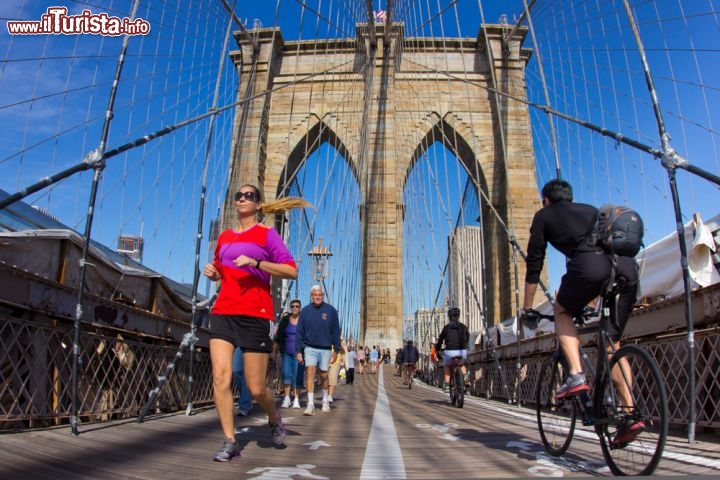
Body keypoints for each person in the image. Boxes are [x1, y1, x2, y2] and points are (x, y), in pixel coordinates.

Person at [521, 179, 640, 445]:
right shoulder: (590, 210)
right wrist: (590, 303)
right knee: (613, 343)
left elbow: (534, 264)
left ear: (545, 200)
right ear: (571, 197)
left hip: (589, 268)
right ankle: (631, 414)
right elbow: (605, 253)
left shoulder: (543, 215)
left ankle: (575, 374)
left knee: (562, 310)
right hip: (628, 269)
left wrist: (528, 307)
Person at [202, 184, 308, 462]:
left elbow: (291, 271)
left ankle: (274, 419)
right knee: (221, 377)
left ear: (259, 204)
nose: (242, 199)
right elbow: (221, 272)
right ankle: (230, 441)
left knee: (257, 387)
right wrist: (213, 273)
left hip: (256, 314)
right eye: (238, 195)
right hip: (223, 311)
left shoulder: (267, 235)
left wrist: (257, 263)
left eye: (249, 195)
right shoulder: (224, 237)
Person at [296, 285, 341, 415]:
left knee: (324, 375)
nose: (318, 297)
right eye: (315, 295)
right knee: (310, 372)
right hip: (309, 347)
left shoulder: (331, 311)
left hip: (326, 348)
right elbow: (299, 332)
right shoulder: (304, 311)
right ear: (311, 296)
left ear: (323, 295)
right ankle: (310, 404)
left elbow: (335, 331)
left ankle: (325, 400)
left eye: (320, 295)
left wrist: (336, 350)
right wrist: (298, 350)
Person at [273, 300, 304, 409]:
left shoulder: (303, 320)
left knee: (297, 376)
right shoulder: (285, 320)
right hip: (286, 352)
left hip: (299, 353)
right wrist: (275, 351)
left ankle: (296, 399)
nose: (295, 308)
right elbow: (278, 337)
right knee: (286, 374)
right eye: (292, 306)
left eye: (297, 306)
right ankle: (287, 398)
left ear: (300, 308)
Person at [435, 307, 470, 393]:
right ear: (458, 316)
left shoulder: (446, 328)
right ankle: (466, 379)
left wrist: (437, 349)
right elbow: (468, 337)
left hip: (450, 351)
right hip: (462, 351)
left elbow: (440, 340)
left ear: (449, 317)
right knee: (461, 365)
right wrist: (465, 345)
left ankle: (447, 385)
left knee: (447, 365)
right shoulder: (464, 327)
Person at [232, 346, 253, 416]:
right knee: (236, 370)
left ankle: (244, 405)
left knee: (247, 375)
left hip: (253, 344)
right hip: (240, 343)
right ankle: (246, 398)